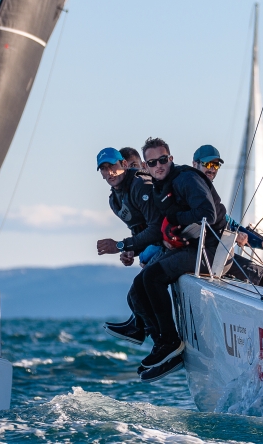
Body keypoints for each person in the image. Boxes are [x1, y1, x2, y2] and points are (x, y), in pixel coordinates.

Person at [128, 137, 229, 382]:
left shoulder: (186, 179)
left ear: (171, 159)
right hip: (192, 247)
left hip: (211, 250)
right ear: (146, 165)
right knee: (140, 284)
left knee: (153, 278)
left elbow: (208, 214)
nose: (158, 166)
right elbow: (161, 225)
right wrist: (130, 245)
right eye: (152, 163)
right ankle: (162, 344)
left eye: (163, 160)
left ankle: (171, 342)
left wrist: (176, 217)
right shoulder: (159, 187)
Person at [95, 147, 164, 345]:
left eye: (113, 166)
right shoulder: (115, 199)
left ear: (124, 165)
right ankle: (143, 332)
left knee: (138, 290)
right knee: (136, 293)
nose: (109, 172)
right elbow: (139, 230)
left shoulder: (140, 184)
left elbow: (157, 228)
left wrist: (120, 245)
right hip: (153, 245)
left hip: (170, 242)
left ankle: (163, 343)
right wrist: (131, 251)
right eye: (104, 169)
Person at [192, 144, 263, 287]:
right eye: (207, 164)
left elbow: (230, 224)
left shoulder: (208, 190)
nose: (211, 168)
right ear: (194, 164)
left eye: (215, 165)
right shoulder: (191, 187)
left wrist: (262, 243)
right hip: (199, 255)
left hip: (216, 254)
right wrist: (234, 236)